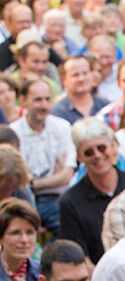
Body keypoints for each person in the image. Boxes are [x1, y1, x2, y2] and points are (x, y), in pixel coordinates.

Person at [60, 118, 125, 265]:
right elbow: (80, 257)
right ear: (79, 157)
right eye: (88, 152)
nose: (97, 155)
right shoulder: (70, 202)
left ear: (112, 146)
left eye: (101, 148)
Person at [10, 79, 75, 235]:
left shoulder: (62, 127)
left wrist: (32, 182)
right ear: (23, 101)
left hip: (56, 198)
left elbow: (66, 176)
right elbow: (18, 181)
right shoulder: (14, 132)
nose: (44, 105)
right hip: (22, 200)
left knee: (69, 230)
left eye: (47, 99)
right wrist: (51, 178)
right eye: (38, 100)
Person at [0, 197, 40, 281]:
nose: (24, 240)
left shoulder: (44, 273)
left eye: (30, 232)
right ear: (1, 238)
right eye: (15, 233)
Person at [50, 55, 109, 126]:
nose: (81, 78)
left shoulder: (106, 107)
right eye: (75, 75)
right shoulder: (57, 112)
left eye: (85, 73)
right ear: (64, 80)